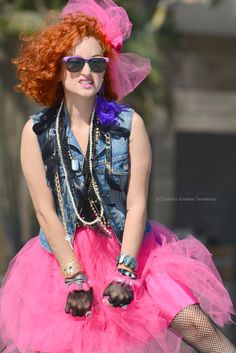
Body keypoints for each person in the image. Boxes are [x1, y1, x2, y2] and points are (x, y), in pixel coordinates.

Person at [0, 1, 236, 352]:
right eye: (75, 62)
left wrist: (125, 271)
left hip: (137, 253)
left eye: (96, 63)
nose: (86, 72)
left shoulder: (129, 126)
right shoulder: (37, 131)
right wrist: (75, 278)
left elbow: (138, 201)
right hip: (62, 260)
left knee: (203, 332)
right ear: (56, 68)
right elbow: (44, 211)